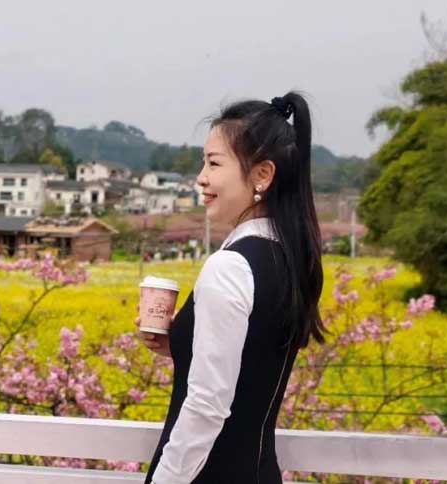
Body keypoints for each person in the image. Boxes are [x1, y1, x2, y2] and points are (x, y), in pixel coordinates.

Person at [136, 92, 326, 483]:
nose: (201, 177)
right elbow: (255, 361)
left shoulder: (229, 267)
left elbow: (207, 405)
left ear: (262, 175)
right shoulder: (288, 258)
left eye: (214, 162)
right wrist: (182, 344)